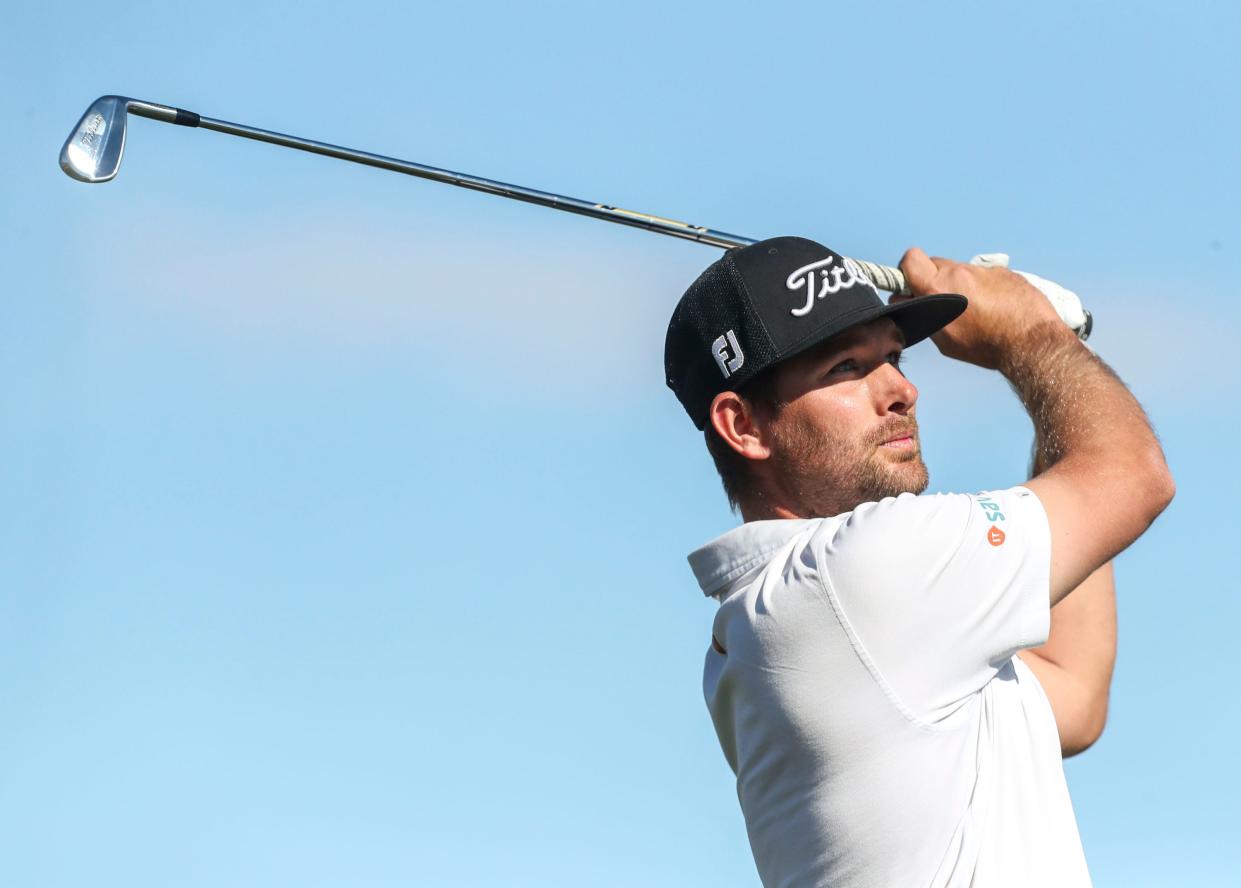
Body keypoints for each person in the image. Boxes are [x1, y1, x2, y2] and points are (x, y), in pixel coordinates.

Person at [662, 237, 1174, 887]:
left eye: (894, 357)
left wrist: (1063, 345)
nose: (901, 390)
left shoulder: (809, 612)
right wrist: (1031, 333)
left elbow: (1069, 693)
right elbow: (1132, 476)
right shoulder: (854, 573)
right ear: (743, 426)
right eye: (845, 367)